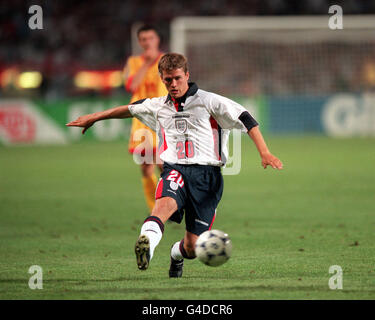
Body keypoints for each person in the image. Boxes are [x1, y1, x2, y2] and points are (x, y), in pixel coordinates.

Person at [66, 53, 283, 278]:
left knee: (193, 247)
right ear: (162, 78)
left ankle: (175, 254)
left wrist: (265, 152)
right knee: (162, 207)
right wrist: (95, 117)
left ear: (187, 75)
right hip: (175, 170)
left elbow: (246, 117)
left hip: (207, 177)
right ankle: (147, 245)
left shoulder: (209, 101)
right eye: (168, 80)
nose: (173, 84)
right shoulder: (159, 105)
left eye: (178, 78)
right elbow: (129, 108)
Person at [123, 25, 167, 213]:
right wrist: (147, 65)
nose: (147, 42)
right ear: (140, 42)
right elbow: (131, 86)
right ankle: (155, 209)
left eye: (151, 38)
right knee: (146, 168)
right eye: (143, 39)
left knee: (163, 164)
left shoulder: (167, 60)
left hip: (163, 118)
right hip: (141, 120)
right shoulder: (133, 62)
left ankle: (170, 203)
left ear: (157, 40)